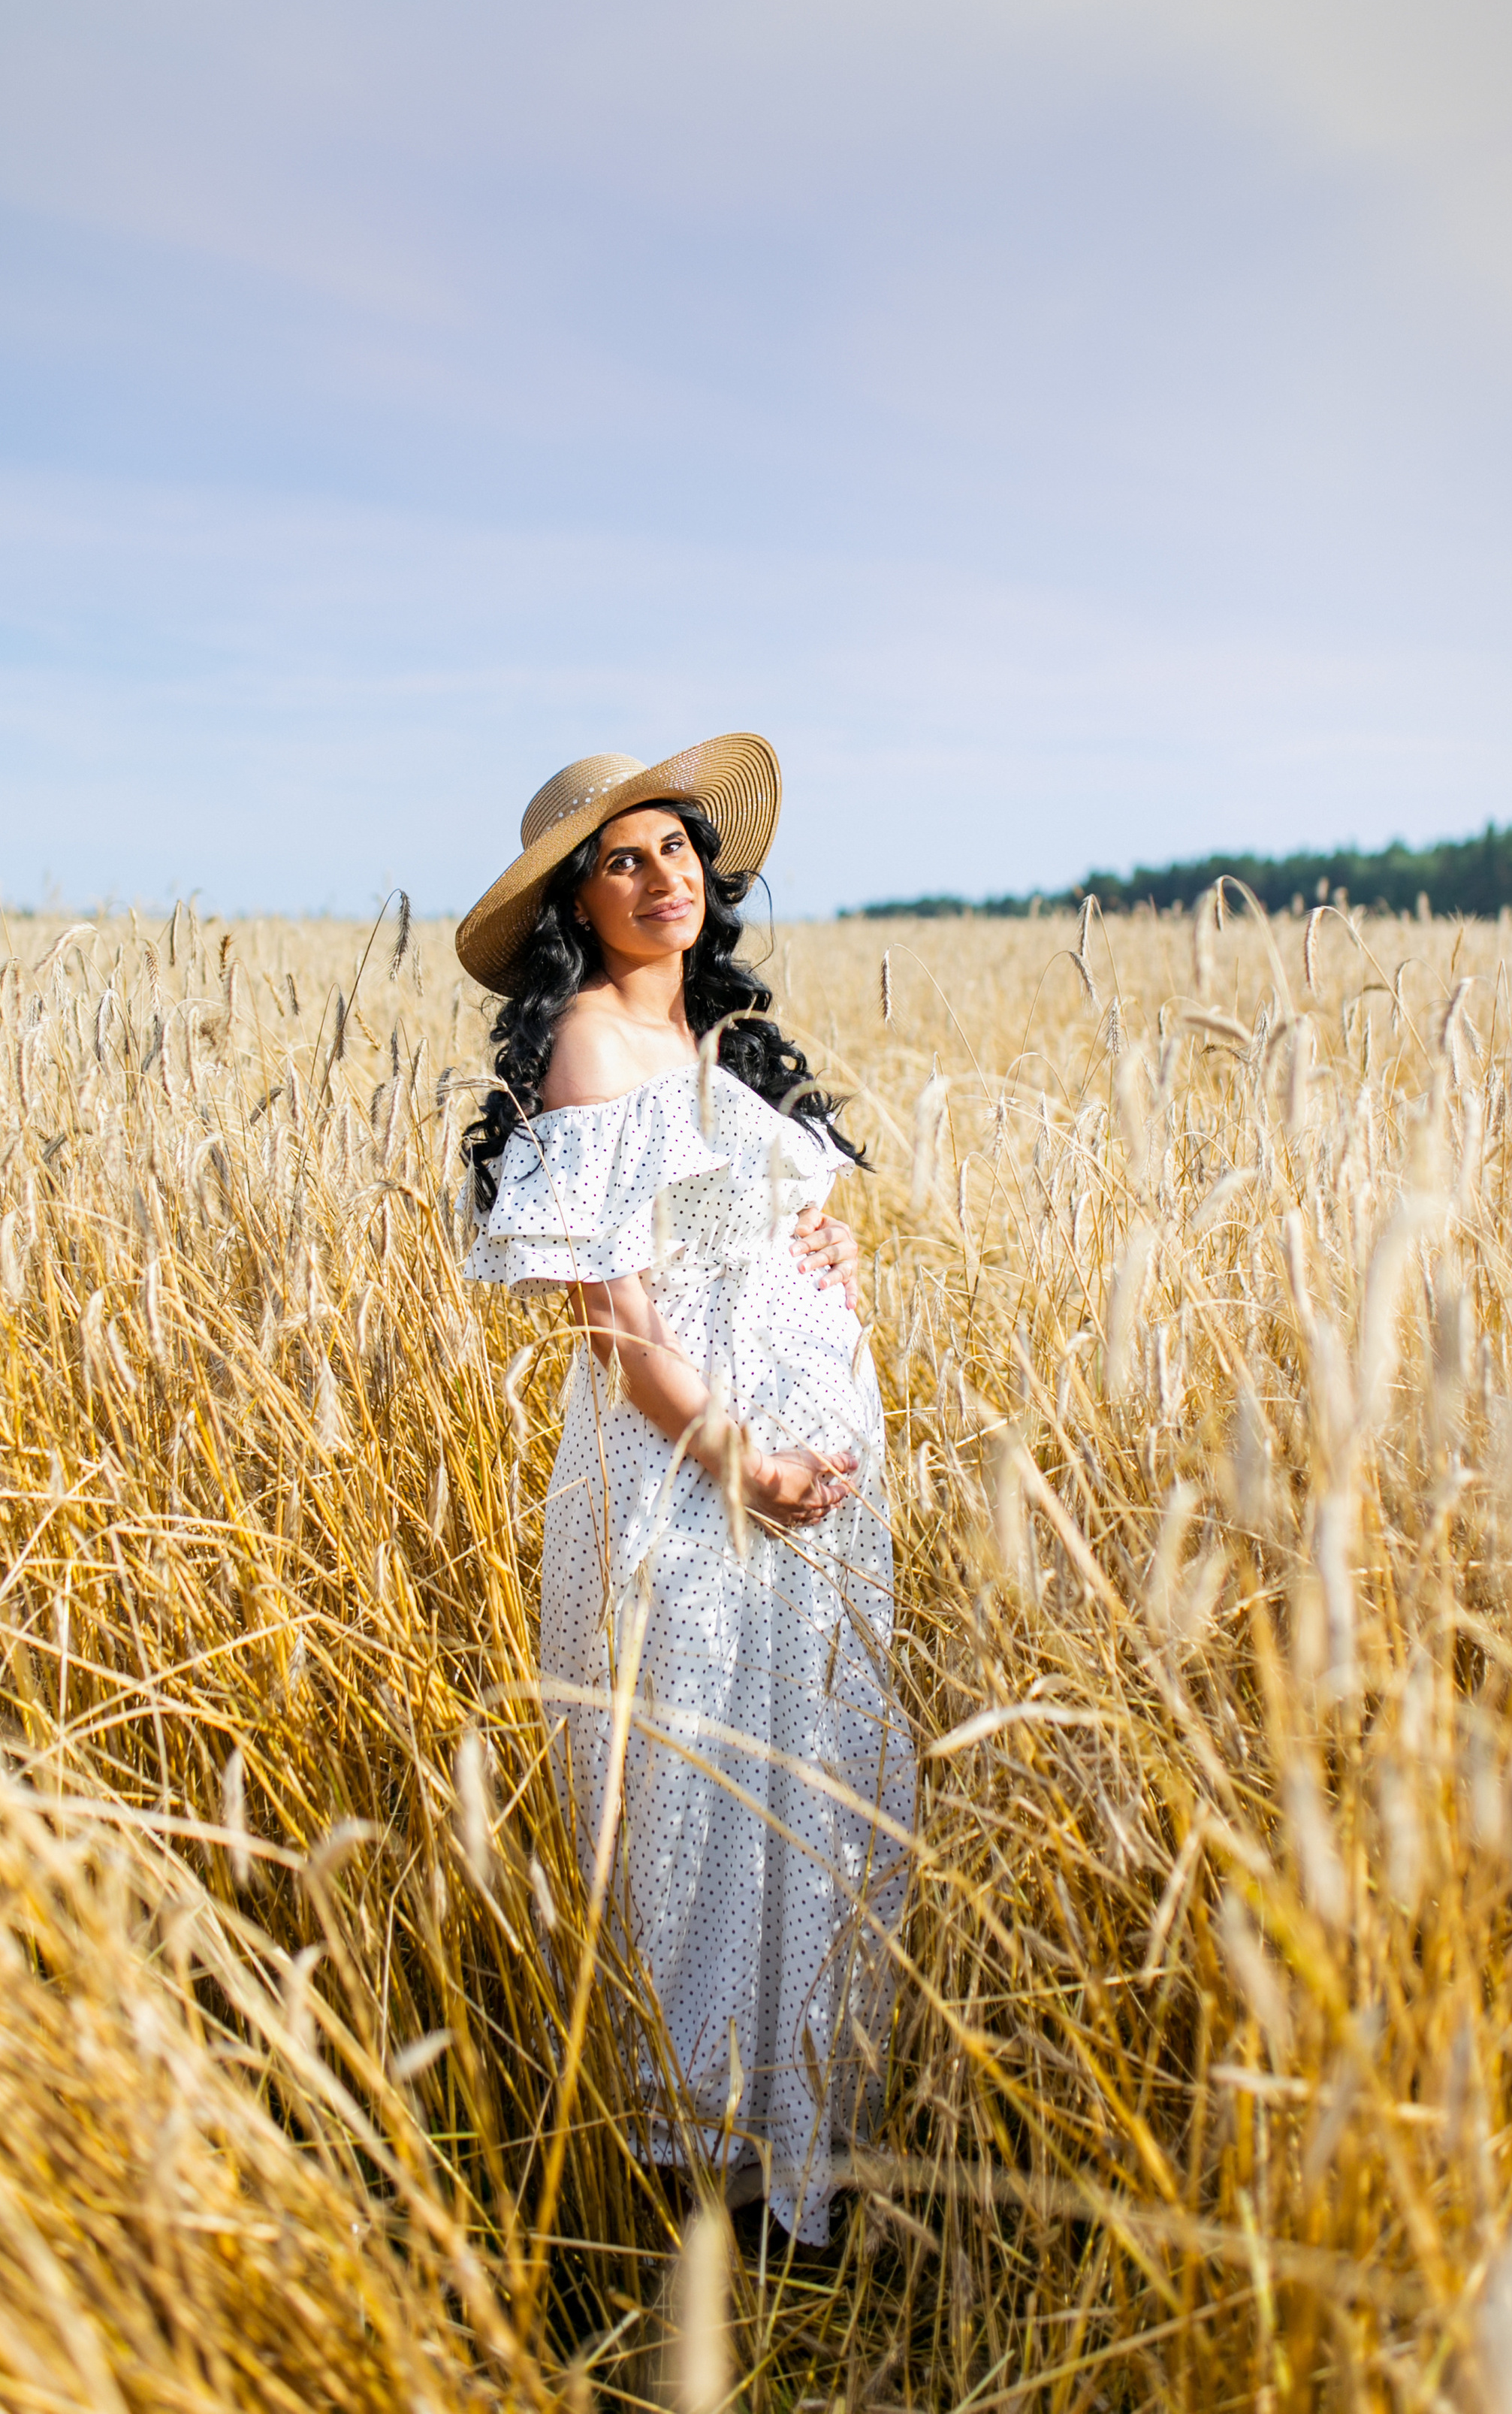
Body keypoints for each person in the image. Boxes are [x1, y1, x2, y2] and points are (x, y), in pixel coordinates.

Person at [457, 737, 914, 2246]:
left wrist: (821, 1248)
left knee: (808, 1781)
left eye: (679, 852)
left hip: (805, 1476)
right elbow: (618, 1318)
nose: (665, 879)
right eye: (623, 859)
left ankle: (802, 2139)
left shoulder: (717, 1044)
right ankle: (709, 2178)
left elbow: (722, 1229)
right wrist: (741, 1460)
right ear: (574, 905)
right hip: (690, 1482)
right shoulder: (587, 1041)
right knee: (701, 1788)